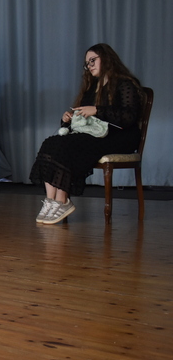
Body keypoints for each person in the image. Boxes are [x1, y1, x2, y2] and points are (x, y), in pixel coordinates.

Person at [30, 43, 143, 224]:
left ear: (106, 58)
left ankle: (62, 200)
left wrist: (97, 110)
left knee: (68, 145)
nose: (89, 66)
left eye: (92, 60)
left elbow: (128, 117)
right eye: (87, 63)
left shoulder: (125, 83)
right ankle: (51, 201)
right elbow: (84, 120)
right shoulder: (92, 87)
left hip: (120, 136)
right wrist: (68, 119)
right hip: (95, 134)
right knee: (51, 143)